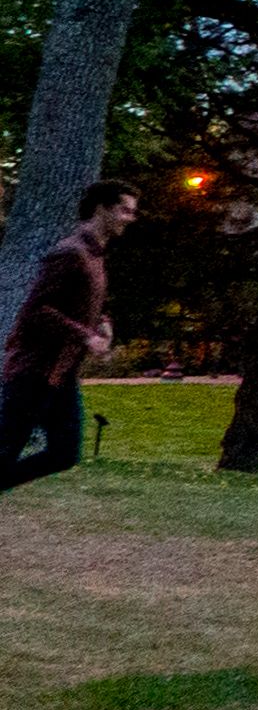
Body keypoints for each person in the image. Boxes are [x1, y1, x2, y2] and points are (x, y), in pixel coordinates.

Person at [2, 183, 136, 495]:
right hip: (33, 372)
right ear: (102, 208)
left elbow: (81, 301)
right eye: (125, 210)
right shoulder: (70, 253)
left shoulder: (95, 254)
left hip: (61, 375)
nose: (130, 218)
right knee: (6, 452)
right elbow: (37, 310)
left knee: (64, 453)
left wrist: (102, 324)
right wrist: (86, 337)